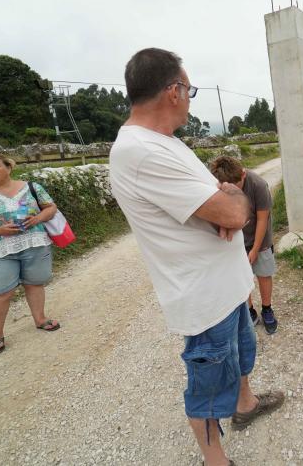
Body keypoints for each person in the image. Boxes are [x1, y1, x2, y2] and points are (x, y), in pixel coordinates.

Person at [109, 48, 283, 466]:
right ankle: (215, 460)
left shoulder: (167, 143)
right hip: (204, 297)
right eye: (189, 89)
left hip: (228, 283)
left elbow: (223, 205)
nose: (190, 97)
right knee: (206, 386)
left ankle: (245, 405)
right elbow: (230, 211)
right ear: (173, 91)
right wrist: (232, 200)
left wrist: (226, 202)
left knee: (241, 353)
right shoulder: (142, 152)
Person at [0, 154, 61, 356]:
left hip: (34, 243)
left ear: (9, 167)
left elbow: (50, 207)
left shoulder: (32, 187)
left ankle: (40, 319)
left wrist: (36, 219)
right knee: (0, 293)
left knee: (34, 283)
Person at [210, 156, 278, 335]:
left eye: (237, 185)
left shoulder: (258, 185)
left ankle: (267, 309)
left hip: (260, 239)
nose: (232, 190)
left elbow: (263, 219)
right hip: (237, 241)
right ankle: (250, 310)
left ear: (243, 174)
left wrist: (255, 249)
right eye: (227, 186)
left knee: (263, 274)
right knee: (242, 278)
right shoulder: (219, 186)